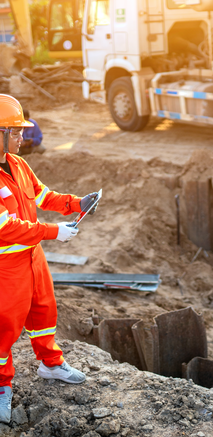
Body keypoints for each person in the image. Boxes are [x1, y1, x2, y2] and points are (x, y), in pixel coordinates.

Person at [0, 95, 99, 424]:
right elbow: (8, 227)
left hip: (33, 259)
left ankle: (51, 364)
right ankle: (1, 387)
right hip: (7, 268)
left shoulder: (18, 165)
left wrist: (77, 203)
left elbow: (43, 195)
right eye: (15, 132)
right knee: (5, 328)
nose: (22, 137)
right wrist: (53, 232)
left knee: (44, 312)